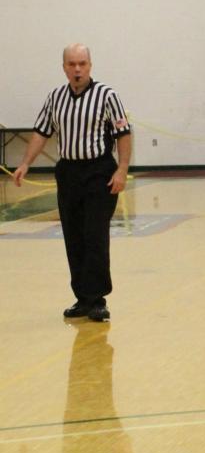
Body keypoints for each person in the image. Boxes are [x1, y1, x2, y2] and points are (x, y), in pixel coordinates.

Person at [13, 45, 131, 321]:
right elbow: (41, 132)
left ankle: (98, 299)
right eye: (72, 64)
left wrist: (122, 169)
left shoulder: (107, 96)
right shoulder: (55, 97)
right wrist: (25, 163)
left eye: (82, 63)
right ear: (64, 67)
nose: (77, 69)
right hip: (68, 173)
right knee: (74, 236)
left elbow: (124, 133)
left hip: (99, 172)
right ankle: (82, 298)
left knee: (94, 234)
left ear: (90, 65)